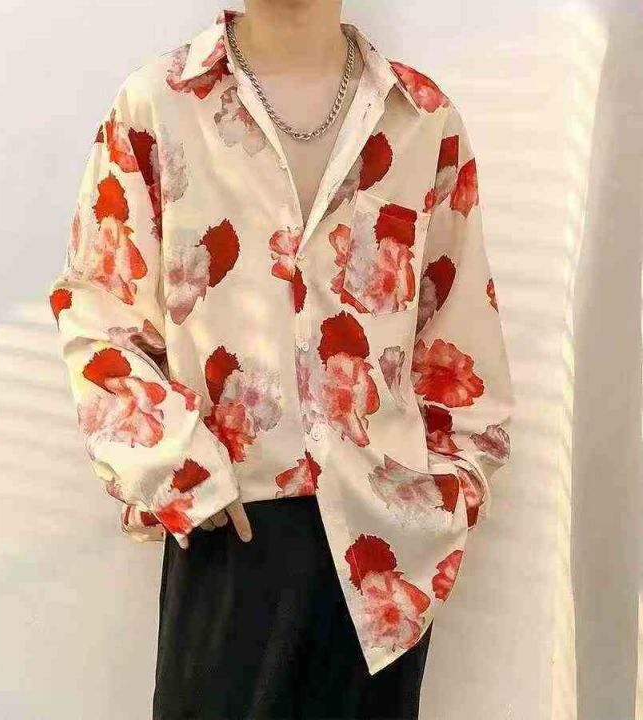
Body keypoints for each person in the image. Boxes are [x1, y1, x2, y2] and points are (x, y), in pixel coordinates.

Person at [48, 2, 515, 718]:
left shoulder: (422, 119)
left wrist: (444, 498)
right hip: (228, 530)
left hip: (383, 553)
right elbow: (99, 312)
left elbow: (460, 332)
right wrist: (180, 467)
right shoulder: (160, 105)